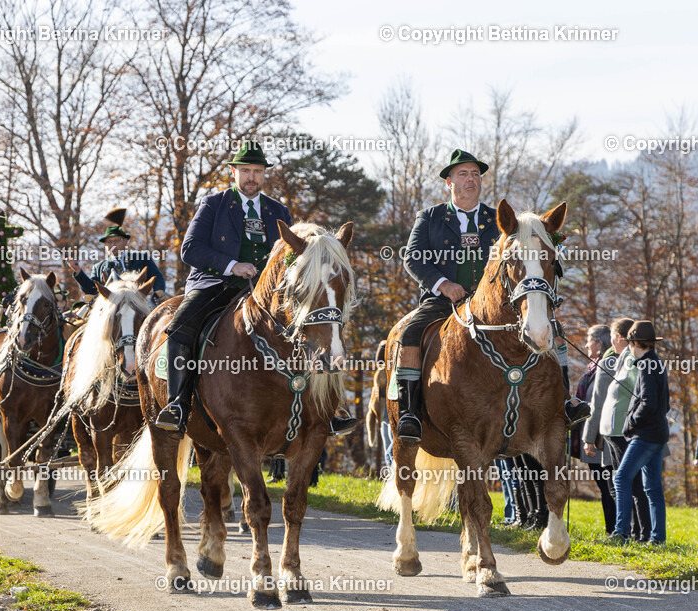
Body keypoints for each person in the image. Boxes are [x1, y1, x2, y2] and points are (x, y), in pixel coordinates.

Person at [155, 141, 355, 435]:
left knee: (319, 324)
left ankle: (328, 410)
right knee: (180, 327)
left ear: (264, 174)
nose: (252, 177)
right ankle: (178, 404)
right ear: (233, 172)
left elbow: (294, 256)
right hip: (216, 285)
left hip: (267, 292)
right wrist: (232, 265)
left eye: (257, 171)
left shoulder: (278, 210)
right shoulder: (213, 205)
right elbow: (190, 249)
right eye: (246, 171)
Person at [394, 150, 502, 443]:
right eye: (463, 174)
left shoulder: (497, 219)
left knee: (545, 327)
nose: (471, 179)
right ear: (449, 182)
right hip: (443, 302)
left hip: (491, 305)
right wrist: (443, 285)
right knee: (410, 334)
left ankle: (561, 404)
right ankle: (409, 413)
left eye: (476, 174)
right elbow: (413, 258)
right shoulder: (430, 217)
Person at [609, 321, 670, 546]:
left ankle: (621, 533)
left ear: (635, 342)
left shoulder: (644, 365)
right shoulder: (657, 362)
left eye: (630, 343)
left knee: (621, 477)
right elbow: (665, 404)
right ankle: (658, 539)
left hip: (645, 435)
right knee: (652, 488)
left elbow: (648, 401)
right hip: (659, 433)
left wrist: (632, 422)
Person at [592, 317, 650, 542]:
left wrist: (632, 420)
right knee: (621, 481)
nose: (613, 341)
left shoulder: (633, 359)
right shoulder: (623, 357)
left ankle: (636, 533)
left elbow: (640, 391)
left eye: (614, 337)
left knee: (631, 482)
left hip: (622, 429)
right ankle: (626, 531)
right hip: (613, 430)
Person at [67, 208, 166, 302]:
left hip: (139, 302)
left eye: (117, 240)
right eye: (109, 242)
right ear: (105, 245)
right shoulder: (98, 267)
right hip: (112, 306)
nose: (113, 244)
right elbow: (92, 290)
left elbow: (157, 277)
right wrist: (78, 270)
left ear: (125, 241)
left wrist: (157, 294)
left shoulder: (141, 258)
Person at [578, 324, 617, 534]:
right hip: (593, 434)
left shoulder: (606, 366)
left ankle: (616, 530)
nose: (586, 345)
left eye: (589, 340)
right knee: (605, 487)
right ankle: (612, 529)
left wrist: (589, 437)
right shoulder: (593, 367)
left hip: (601, 437)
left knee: (609, 486)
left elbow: (600, 403)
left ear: (599, 343)